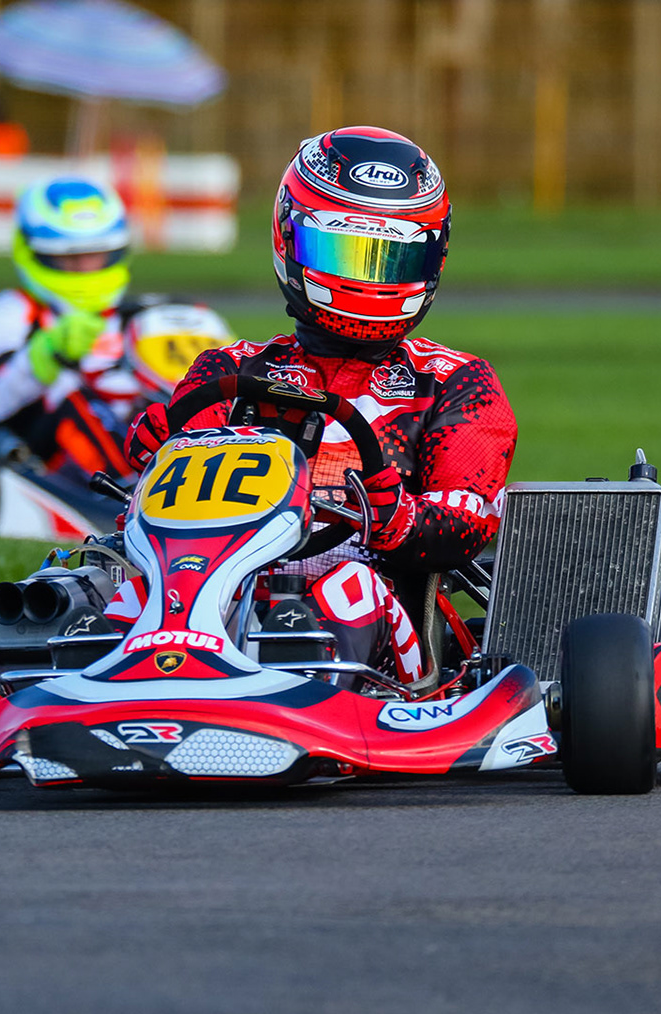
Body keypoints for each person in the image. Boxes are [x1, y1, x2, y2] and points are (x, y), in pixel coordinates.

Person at [120, 126, 518, 685]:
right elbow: (168, 503)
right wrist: (160, 452)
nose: (368, 282)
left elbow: (470, 517)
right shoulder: (228, 371)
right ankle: (99, 678)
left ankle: (308, 696)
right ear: (290, 239)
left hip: (378, 605)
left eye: (391, 261)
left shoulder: (455, 383)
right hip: (218, 592)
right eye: (341, 253)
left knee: (345, 591)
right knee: (113, 591)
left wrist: (399, 517)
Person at [0, 176, 149, 483]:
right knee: (70, 390)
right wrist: (47, 353)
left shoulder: (136, 315)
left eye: (96, 255)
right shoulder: (6, 312)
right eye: (72, 258)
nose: (86, 267)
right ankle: (133, 488)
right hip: (50, 453)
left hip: (134, 429)